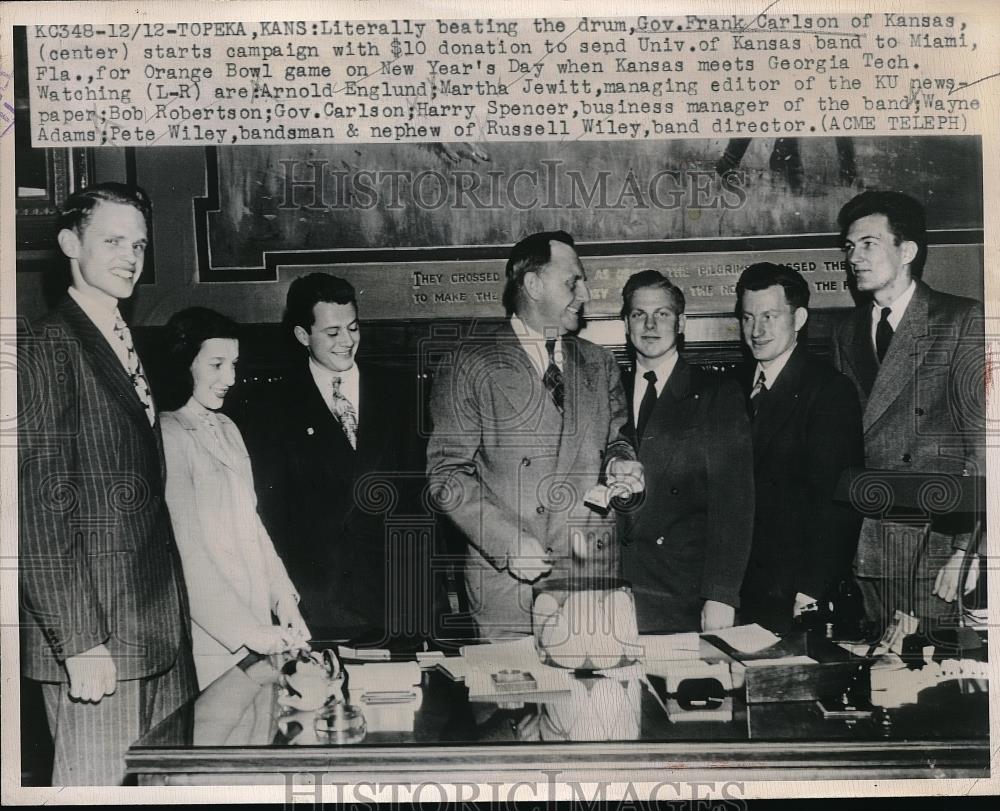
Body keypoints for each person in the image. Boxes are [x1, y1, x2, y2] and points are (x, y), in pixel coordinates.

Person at [17, 183, 196, 785]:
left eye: (139, 244)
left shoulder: (119, 337)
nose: (130, 257)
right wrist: (79, 642)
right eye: (112, 241)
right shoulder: (47, 345)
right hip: (99, 644)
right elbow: (35, 507)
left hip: (154, 636)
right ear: (71, 243)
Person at [426, 231, 644, 639]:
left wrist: (621, 463)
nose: (585, 292)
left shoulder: (599, 363)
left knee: (592, 700)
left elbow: (616, 439)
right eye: (572, 281)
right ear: (532, 285)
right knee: (516, 701)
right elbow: (447, 476)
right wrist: (507, 543)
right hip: (509, 585)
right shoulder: (467, 364)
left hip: (588, 576)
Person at [240, 273, 430, 641]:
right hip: (322, 601)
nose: (347, 342)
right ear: (301, 336)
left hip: (401, 596)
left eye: (353, 328)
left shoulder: (403, 390)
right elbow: (272, 511)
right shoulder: (272, 406)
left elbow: (422, 495)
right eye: (332, 333)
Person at [831, 190, 985, 638]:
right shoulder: (847, 332)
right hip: (866, 549)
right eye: (848, 247)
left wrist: (967, 552)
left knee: (928, 685)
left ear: (908, 251)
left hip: (933, 549)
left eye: (867, 244)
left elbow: (982, 445)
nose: (853, 257)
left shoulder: (959, 320)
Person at [159, 307, 311, 690]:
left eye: (234, 364)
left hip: (256, 621)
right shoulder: (168, 434)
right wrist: (246, 631)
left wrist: (283, 599)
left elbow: (253, 524)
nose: (230, 377)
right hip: (212, 636)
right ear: (184, 364)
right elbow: (185, 550)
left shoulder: (227, 427)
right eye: (216, 365)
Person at [618, 270, 754, 633]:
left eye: (662, 314)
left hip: (682, 591)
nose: (649, 324)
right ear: (625, 323)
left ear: (681, 323)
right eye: (638, 314)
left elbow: (734, 505)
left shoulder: (715, 394)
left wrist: (721, 596)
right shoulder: (605, 390)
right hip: (611, 593)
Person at [734, 263, 863, 634]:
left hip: (796, 593)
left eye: (769, 316)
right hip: (742, 588)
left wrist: (812, 591)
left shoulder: (828, 390)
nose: (756, 331)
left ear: (799, 318)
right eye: (747, 317)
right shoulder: (733, 385)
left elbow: (838, 503)